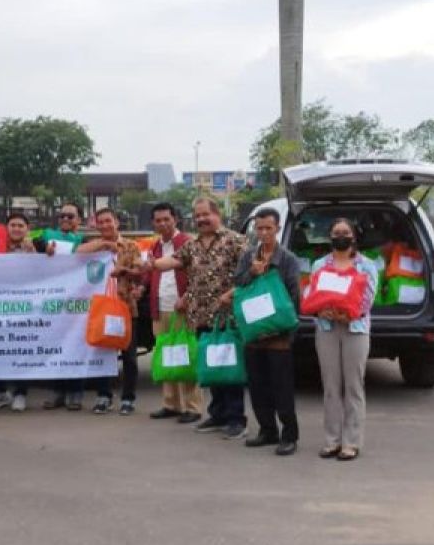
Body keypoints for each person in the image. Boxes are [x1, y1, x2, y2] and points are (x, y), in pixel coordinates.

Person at [152, 197, 248, 440]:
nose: (201, 220)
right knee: (213, 369)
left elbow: (250, 275)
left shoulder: (236, 241)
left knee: (230, 369)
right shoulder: (192, 245)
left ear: (218, 215)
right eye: (197, 216)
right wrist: (148, 264)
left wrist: (231, 293)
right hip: (201, 317)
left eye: (205, 214)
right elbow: (172, 261)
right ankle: (217, 414)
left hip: (228, 317)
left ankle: (236, 419)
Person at [232, 208, 301, 455]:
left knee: (281, 387)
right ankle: (267, 430)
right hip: (253, 332)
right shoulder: (249, 256)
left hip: (278, 335)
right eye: (259, 228)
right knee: (258, 385)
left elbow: (294, 297)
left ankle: (289, 435)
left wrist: (285, 330)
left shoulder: (288, 259)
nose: (263, 233)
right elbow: (237, 284)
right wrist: (252, 272)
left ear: (277, 229)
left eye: (268, 228)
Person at [311, 217, 380, 461]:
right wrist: (324, 311)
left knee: (353, 385)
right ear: (330, 236)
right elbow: (314, 293)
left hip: (356, 329)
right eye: (336, 231)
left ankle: (351, 442)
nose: (341, 236)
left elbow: (367, 299)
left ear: (354, 236)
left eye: (345, 232)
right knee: (330, 386)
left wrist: (346, 314)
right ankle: (332, 441)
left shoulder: (367, 265)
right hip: (327, 328)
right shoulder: (319, 264)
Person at [81, 207, 144, 415]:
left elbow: (140, 272)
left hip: (125, 307)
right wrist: (104, 244)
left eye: (109, 221)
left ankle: (128, 398)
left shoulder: (131, 246)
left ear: (117, 222)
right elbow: (77, 254)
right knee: (103, 353)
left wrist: (124, 271)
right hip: (101, 310)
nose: (105, 225)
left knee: (129, 356)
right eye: (101, 222)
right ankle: (103, 396)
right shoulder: (95, 247)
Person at [143, 203, 200, 424]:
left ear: (175, 219)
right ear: (153, 223)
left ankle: (193, 407)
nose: (163, 223)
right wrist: (141, 286)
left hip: (182, 308)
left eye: (166, 219)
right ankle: (171, 404)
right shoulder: (156, 246)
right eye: (158, 220)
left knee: (186, 355)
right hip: (161, 307)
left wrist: (187, 297)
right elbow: (151, 272)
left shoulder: (187, 243)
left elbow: (198, 274)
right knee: (166, 356)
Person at [36, 202, 88, 411]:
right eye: (62, 216)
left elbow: (91, 253)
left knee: (76, 347)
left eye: (70, 216)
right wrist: (43, 249)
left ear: (79, 220)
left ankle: (76, 393)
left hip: (76, 301)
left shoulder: (83, 240)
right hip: (53, 301)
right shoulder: (47, 235)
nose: (65, 220)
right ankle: (58, 392)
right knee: (56, 347)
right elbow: (33, 243)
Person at [0, 213, 36, 412]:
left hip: (24, 306)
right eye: (12, 225)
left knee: (22, 350)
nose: (16, 228)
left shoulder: (34, 248)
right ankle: (0, 392)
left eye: (20, 225)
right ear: (6, 227)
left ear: (27, 228)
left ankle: (20, 393)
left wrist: (33, 253)